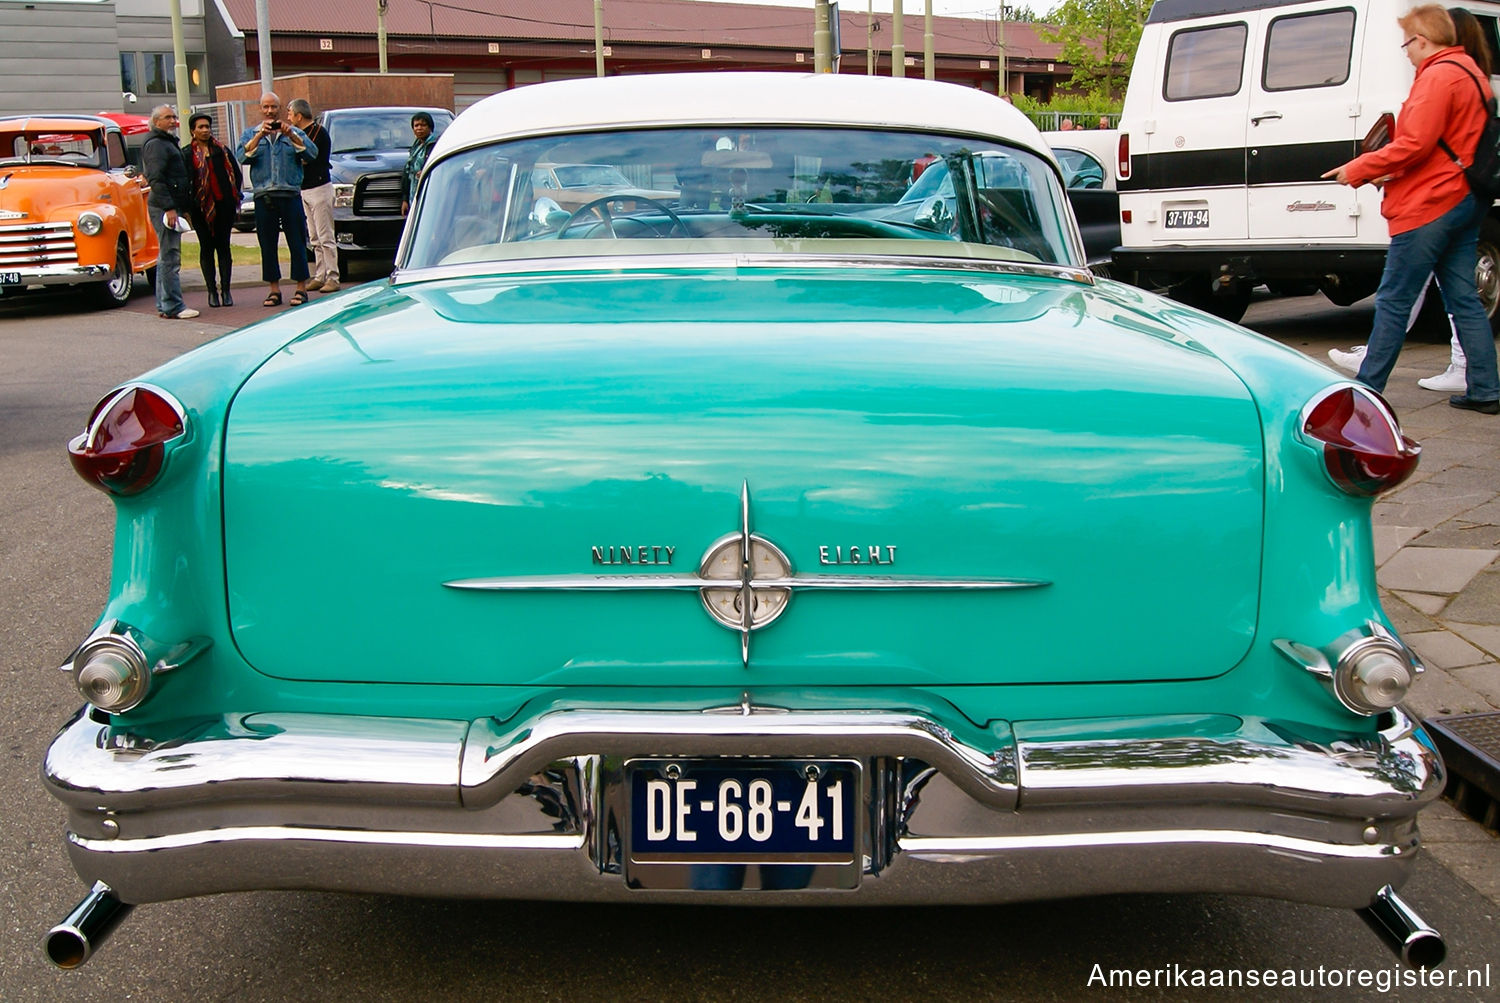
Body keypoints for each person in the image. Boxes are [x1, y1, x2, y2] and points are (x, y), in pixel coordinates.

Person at [1321, 4, 1498, 414]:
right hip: (1466, 197)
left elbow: (1414, 144)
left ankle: (1366, 393)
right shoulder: (1474, 73)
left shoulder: (1438, 76)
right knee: (1463, 297)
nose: (1406, 52)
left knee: (1394, 300)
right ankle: (1486, 389)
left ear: (1423, 39)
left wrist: (1359, 168)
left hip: (1431, 203)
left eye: (1407, 43)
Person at [238, 92, 316, 308]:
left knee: (297, 242)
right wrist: (258, 137)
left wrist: (291, 135)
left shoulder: (295, 132)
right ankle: (274, 290)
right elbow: (241, 157)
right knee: (267, 244)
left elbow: (312, 154)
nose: (270, 111)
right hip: (264, 196)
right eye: (266, 107)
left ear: (280, 109)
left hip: (290, 193)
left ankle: (301, 288)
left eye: (274, 107)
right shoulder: (250, 133)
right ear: (260, 109)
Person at [141, 104, 199, 320]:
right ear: (156, 122)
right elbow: (156, 177)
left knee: (165, 255)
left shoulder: (163, 142)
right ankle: (173, 305)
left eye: (174, 116)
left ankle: (164, 304)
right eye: (168, 117)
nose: (173, 120)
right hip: (164, 206)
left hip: (168, 204)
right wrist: (170, 208)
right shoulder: (157, 145)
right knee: (170, 256)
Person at [183, 113, 240, 308]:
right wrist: (188, 207)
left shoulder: (221, 150)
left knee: (224, 247)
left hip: (224, 206)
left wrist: (234, 197)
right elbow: (185, 182)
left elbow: (236, 174)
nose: (205, 130)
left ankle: (226, 290)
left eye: (207, 126)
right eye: (200, 127)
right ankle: (212, 292)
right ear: (193, 131)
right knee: (206, 248)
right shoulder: (187, 154)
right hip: (201, 209)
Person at [287, 99, 339, 294]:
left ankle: (333, 276)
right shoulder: (299, 134)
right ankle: (320, 274)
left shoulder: (318, 133)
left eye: (291, 114)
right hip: (305, 188)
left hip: (319, 187)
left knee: (326, 236)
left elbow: (311, 157)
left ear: (299, 116)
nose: (289, 118)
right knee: (314, 236)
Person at [401, 111, 437, 216]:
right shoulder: (415, 148)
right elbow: (407, 173)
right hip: (414, 192)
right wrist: (405, 199)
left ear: (430, 127)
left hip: (429, 193)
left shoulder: (434, 145)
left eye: (423, 125)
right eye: (416, 125)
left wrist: (425, 172)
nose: (419, 128)